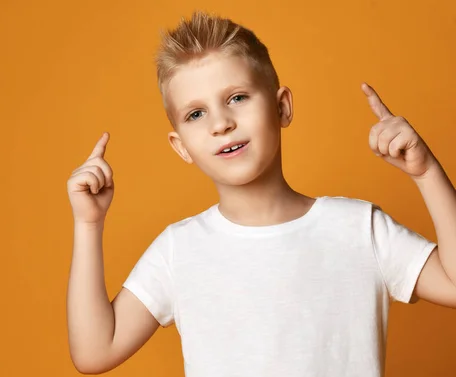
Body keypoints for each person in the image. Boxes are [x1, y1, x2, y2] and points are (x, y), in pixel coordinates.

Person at [66, 10, 456, 376]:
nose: (221, 123)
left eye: (237, 97)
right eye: (195, 114)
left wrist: (426, 173)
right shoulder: (178, 249)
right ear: (181, 145)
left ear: (282, 107)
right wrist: (88, 222)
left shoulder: (359, 229)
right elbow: (95, 352)